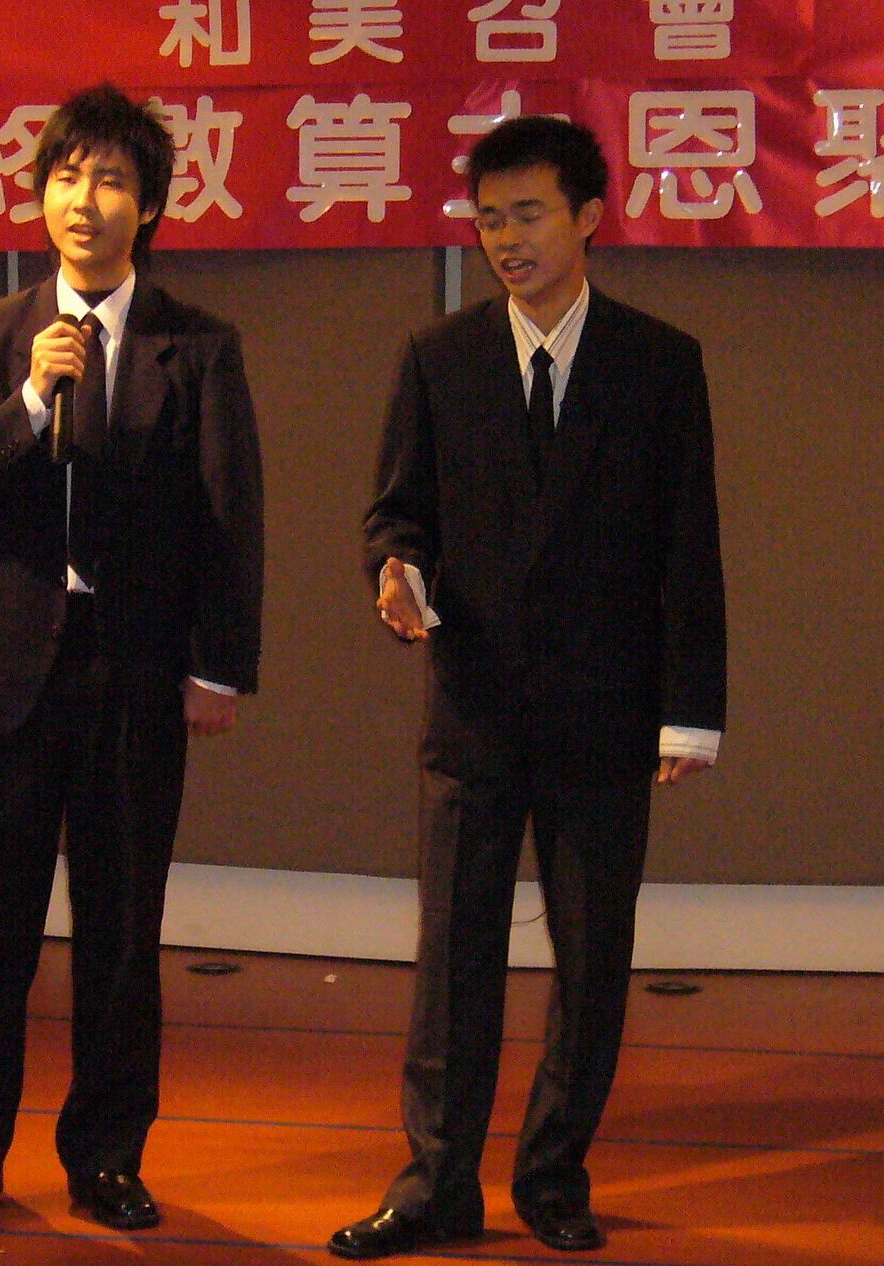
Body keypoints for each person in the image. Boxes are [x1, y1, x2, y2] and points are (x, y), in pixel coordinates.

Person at [328, 115, 726, 1259]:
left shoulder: (659, 362)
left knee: (591, 959)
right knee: (452, 958)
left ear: (588, 218)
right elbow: (396, 513)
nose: (505, 238)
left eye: (529, 214)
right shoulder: (438, 357)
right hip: (473, 706)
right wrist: (395, 569)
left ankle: (553, 1175)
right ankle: (434, 1184)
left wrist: (689, 713)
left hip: (606, 711)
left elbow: (687, 549)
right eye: (489, 217)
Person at [0, 84, 263, 1231]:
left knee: (120, 935)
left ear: (148, 206)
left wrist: (218, 667)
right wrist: (27, 400)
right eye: (66, 176)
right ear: (40, 193)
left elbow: (230, 515)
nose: (84, 200)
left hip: (134, 679)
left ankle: (105, 1157)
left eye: (110, 180)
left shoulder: (196, 347)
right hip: (4, 681)